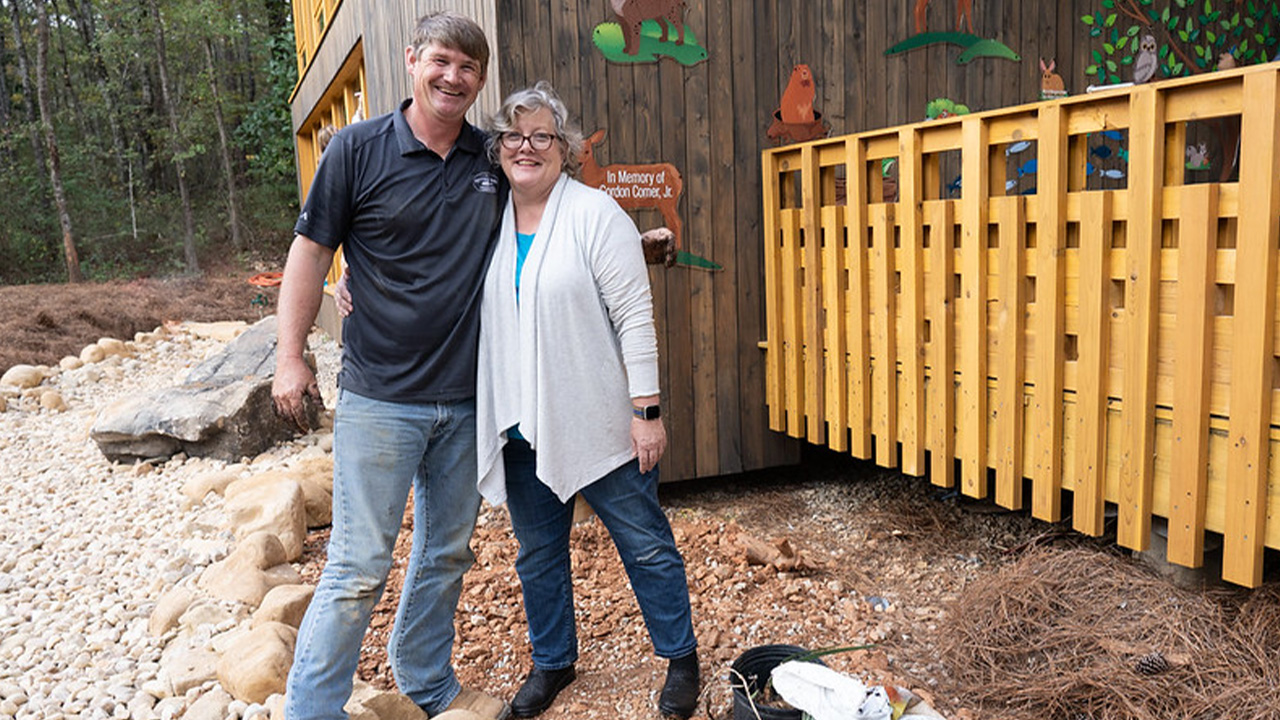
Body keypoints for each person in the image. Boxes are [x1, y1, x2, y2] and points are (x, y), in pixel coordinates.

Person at [271, 12, 509, 720]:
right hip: (382, 398)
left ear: (480, 79)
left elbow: (556, 210)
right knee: (356, 566)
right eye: (441, 61)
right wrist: (291, 357)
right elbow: (311, 253)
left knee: (445, 554)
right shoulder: (354, 148)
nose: (452, 77)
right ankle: (312, 708)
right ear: (412, 60)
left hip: (469, 399)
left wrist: (634, 235)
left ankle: (427, 680)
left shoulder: (491, 159)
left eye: (468, 68)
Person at [473, 81, 700, 719]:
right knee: (538, 554)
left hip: (598, 419)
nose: (527, 147)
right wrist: (359, 281)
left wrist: (646, 413)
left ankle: (680, 658)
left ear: (566, 149)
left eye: (542, 135)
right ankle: (553, 662)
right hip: (519, 422)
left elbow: (634, 316)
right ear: (498, 149)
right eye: (514, 136)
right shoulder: (484, 218)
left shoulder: (596, 214)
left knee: (645, 542)